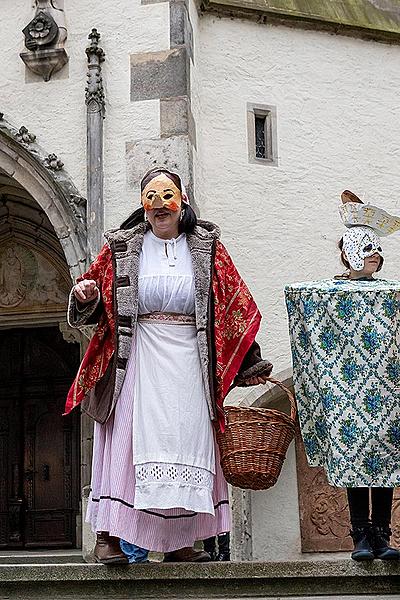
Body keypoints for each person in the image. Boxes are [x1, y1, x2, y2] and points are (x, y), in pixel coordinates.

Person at [65, 167, 272, 563]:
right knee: (124, 440)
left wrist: (249, 361)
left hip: (190, 361)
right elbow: (94, 308)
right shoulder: (122, 248)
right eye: (151, 196)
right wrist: (86, 294)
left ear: (183, 201)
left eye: (167, 195)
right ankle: (107, 537)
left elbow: (233, 306)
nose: (159, 204)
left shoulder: (206, 247)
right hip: (136, 356)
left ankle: (180, 543)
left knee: (186, 444)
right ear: (143, 206)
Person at [286, 191, 400, 562]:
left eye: (377, 252)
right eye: (368, 250)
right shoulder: (329, 293)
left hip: (386, 389)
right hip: (348, 391)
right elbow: (301, 299)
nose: (375, 256)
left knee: (384, 461)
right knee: (354, 456)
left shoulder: (391, 293)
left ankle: (381, 534)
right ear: (350, 251)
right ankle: (360, 536)